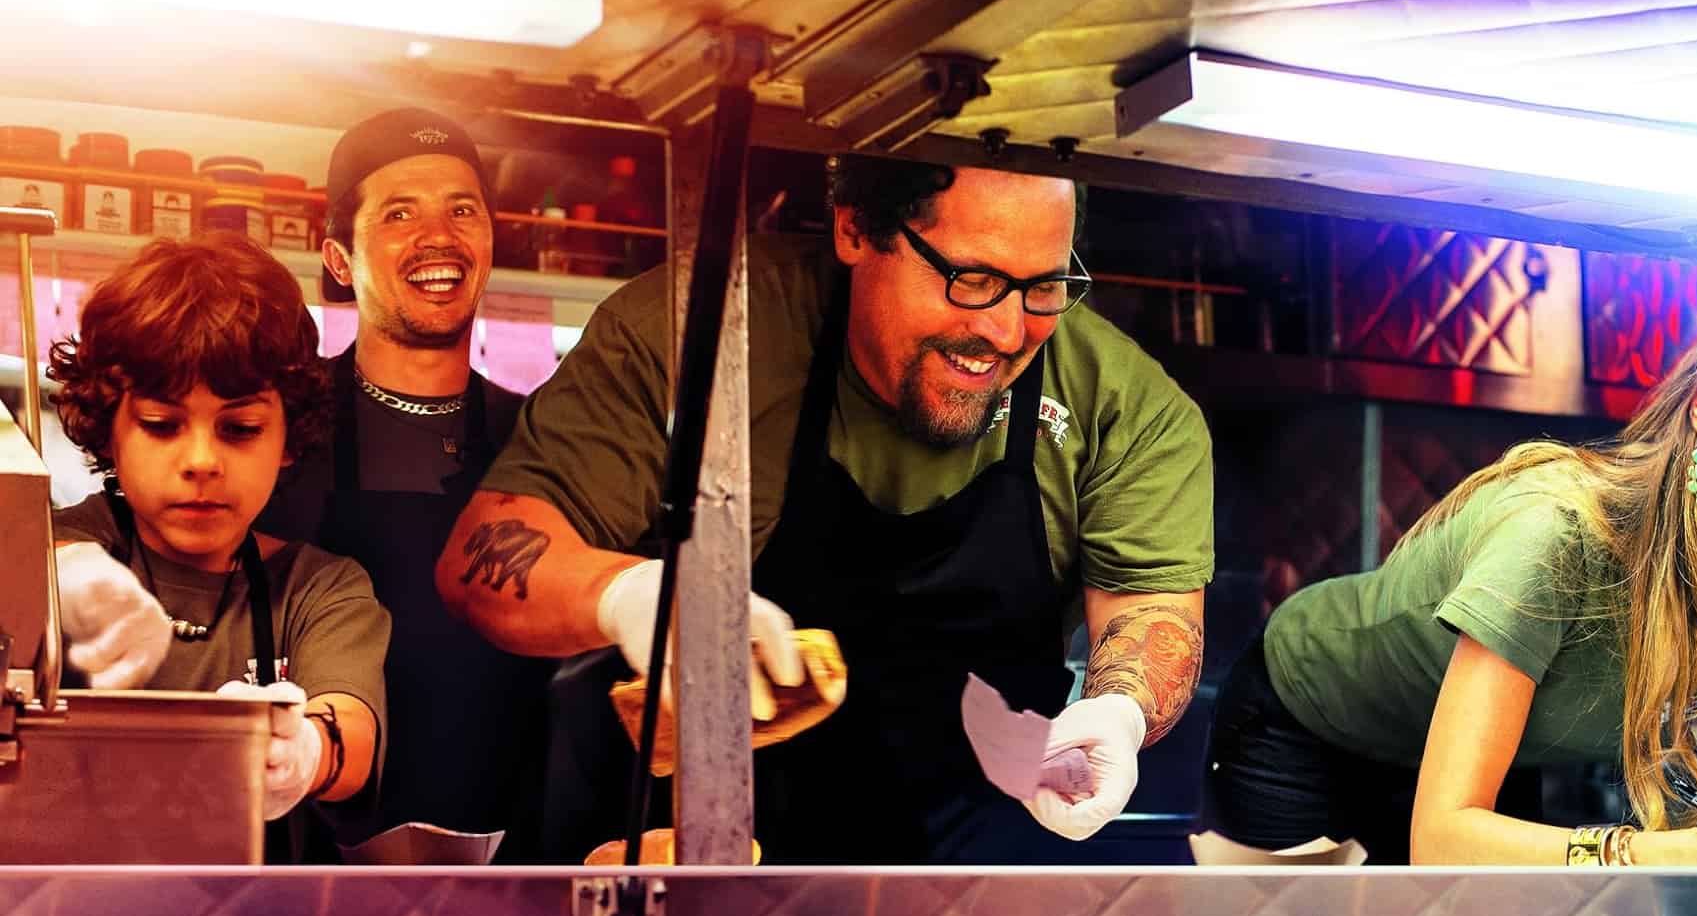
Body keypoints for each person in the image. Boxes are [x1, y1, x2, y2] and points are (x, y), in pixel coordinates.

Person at [439, 156, 1214, 864]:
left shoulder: (1121, 401)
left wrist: (1120, 710)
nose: (1007, 332)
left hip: (978, 853)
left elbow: (1155, 612)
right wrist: (627, 596)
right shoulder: (702, 330)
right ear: (854, 228)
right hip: (714, 845)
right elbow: (485, 552)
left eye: (1044, 288)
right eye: (971, 279)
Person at [1205, 296, 1697, 867]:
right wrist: (1664, 854)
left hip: (1474, 778)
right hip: (1303, 729)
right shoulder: (1555, 533)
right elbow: (1445, 837)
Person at [257, 107, 549, 862]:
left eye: (462, 209)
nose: (439, 237)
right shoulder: (272, 436)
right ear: (340, 259)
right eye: (398, 213)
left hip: (521, 872)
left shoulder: (547, 439)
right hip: (303, 871)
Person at [47, 232, 386, 862]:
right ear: (107, 428)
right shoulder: (59, 550)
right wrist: (70, 578)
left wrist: (301, 752)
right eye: (161, 424)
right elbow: (51, 555)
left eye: (239, 428)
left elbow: (352, 737)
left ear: (289, 437)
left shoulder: (320, 589)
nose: (201, 461)